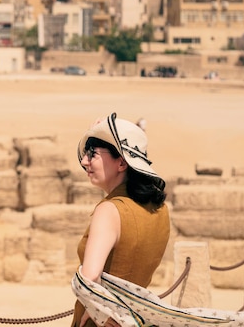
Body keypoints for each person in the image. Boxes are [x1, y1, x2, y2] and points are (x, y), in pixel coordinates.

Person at [71, 112, 170, 327]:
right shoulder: (160, 209)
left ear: (122, 163)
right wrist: (95, 138)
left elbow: (89, 277)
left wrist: (98, 312)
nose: (85, 161)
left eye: (92, 154)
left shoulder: (109, 211)